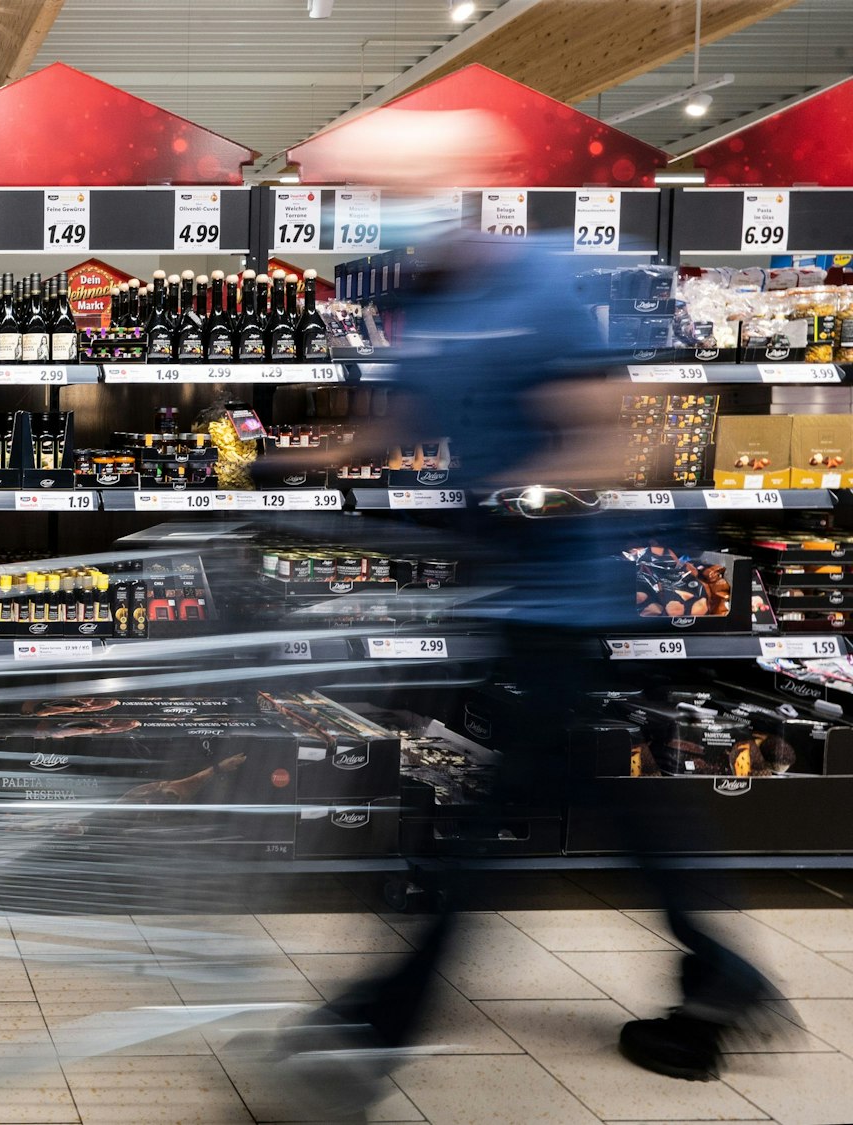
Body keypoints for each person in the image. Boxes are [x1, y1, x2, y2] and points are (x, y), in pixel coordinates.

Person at [261, 227, 781, 1114]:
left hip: (572, 595)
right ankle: (725, 976)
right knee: (621, 799)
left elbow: (615, 449)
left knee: (485, 822)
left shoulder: (537, 285)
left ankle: (376, 1028)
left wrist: (505, 506)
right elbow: (401, 425)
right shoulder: (426, 310)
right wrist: (296, 467)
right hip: (514, 596)